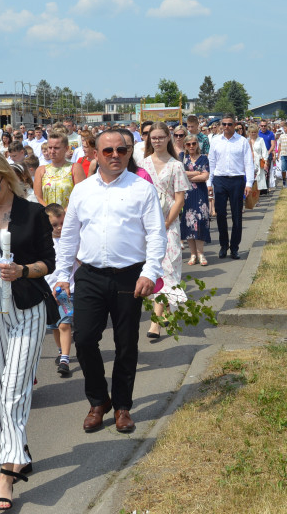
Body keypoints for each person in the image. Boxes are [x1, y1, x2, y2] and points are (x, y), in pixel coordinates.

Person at [53, 130, 167, 435]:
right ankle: (98, 400)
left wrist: (150, 272)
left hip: (130, 275)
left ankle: (122, 407)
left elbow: (157, 234)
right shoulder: (82, 191)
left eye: (121, 150)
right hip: (89, 275)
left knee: (126, 343)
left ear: (129, 153)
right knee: (86, 339)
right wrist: (63, 274)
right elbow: (69, 235)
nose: (115, 155)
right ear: (96, 154)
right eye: (108, 151)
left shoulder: (142, 189)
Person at [0, 151, 56, 510]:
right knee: (0, 388)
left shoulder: (33, 212)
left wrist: (23, 270)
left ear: (6, 177)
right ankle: (20, 451)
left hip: (27, 307)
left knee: (14, 388)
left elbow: (49, 260)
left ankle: (6, 472)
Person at [138, 123, 189, 341]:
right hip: (146, 226)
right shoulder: (142, 164)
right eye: (153, 137)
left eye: (160, 137)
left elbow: (180, 198)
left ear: (169, 138)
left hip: (169, 225)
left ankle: (155, 322)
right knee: (151, 269)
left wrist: (167, 222)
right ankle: (165, 309)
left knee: (167, 269)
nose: (157, 141)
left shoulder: (176, 165)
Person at [208, 114, 255, 260]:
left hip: (237, 180)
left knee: (237, 215)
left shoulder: (242, 141)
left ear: (234, 125)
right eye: (224, 124)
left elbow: (248, 163)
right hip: (220, 179)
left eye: (229, 124)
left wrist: (249, 183)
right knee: (221, 214)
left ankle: (234, 247)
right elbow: (211, 162)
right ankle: (223, 245)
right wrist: (209, 183)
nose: (226, 127)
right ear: (221, 125)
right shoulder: (216, 141)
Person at [44, 203, 76, 377]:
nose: (60, 228)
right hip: (48, 290)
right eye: (55, 225)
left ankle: (65, 358)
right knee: (55, 326)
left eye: (63, 223)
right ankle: (60, 349)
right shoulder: (44, 242)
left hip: (68, 290)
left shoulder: (71, 240)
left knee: (64, 323)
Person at [180, 135, 211, 266]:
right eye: (188, 144)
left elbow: (205, 176)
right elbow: (180, 173)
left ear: (197, 144)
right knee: (188, 223)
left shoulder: (203, 158)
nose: (191, 146)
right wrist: (197, 173)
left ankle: (200, 253)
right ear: (185, 145)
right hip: (186, 194)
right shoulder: (182, 158)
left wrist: (189, 175)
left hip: (200, 194)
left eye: (193, 143)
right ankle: (193, 254)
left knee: (200, 221)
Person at [33, 133, 85, 208]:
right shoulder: (41, 170)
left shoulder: (75, 168)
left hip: (69, 216)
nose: (52, 151)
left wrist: (64, 213)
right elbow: (38, 197)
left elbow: (80, 195)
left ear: (66, 148)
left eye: (56, 148)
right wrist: (50, 214)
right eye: (50, 147)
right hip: (46, 215)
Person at [248, 126, 269, 194]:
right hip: (249, 161)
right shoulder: (247, 140)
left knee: (259, 177)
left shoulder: (260, 139)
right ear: (249, 133)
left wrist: (265, 161)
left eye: (255, 132)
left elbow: (264, 151)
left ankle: (258, 192)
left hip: (258, 161)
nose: (253, 133)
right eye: (252, 132)